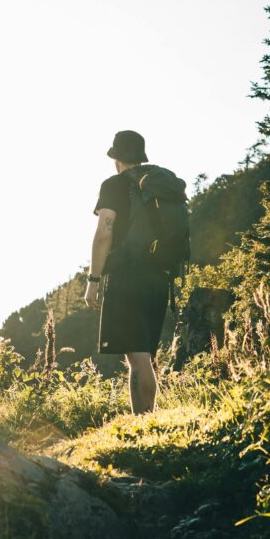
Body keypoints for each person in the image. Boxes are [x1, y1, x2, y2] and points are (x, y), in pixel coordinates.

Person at [84, 130, 171, 414]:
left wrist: (93, 280)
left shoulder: (114, 185)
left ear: (117, 158)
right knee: (145, 351)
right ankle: (148, 419)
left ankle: (142, 422)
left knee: (137, 356)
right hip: (160, 276)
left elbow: (103, 233)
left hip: (127, 277)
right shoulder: (159, 184)